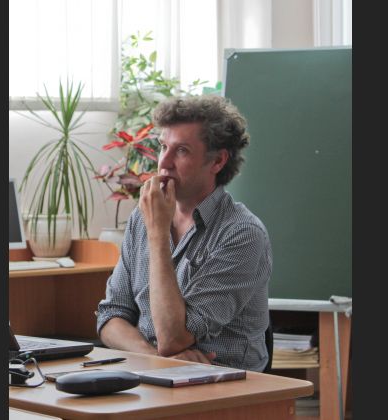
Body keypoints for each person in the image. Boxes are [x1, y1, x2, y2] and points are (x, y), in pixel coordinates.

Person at [96, 95, 272, 371]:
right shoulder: (142, 219)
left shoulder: (242, 234)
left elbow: (173, 339)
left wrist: (157, 235)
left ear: (217, 161)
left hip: (227, 384)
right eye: (163, 147)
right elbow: (110, 317)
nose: (164, 163)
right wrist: (153, 358)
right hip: (153, 375)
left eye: (181, 151)